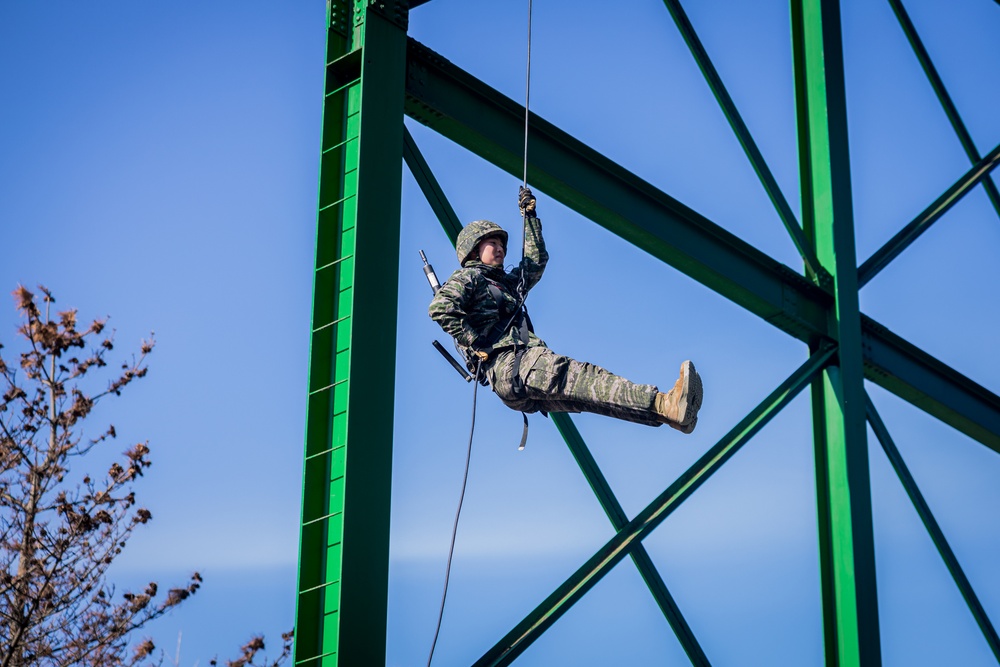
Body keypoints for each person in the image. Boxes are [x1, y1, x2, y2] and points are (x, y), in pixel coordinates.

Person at [428, 187, 702, 433]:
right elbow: (441, 308)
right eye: (492, 244)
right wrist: (474, 342)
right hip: (515, 365)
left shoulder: (506, 284)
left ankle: (667, 413)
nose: (500, 249)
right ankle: (662, 402)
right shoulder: (470, 278)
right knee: (588, 379)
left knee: (591, 398)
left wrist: (530, 219)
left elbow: (535, 262)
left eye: (501, 244)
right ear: (474, 252)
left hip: (514, 381)